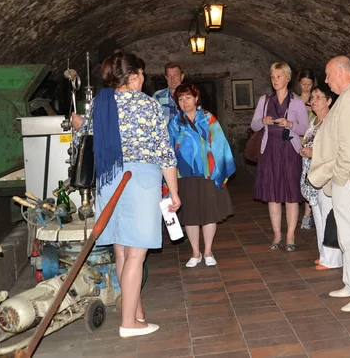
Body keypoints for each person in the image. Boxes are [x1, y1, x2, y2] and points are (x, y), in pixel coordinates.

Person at [74, 50, 181, 337]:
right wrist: (174, 192)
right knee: (136, 255)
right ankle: (129, 324)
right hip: (140, 182)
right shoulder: (148, 106)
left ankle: (134, 311)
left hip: (109, 182)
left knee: (121, 250)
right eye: (142, 74)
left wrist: (79, 124)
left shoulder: (100, 104)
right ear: (133, 77)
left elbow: (80, 140)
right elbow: (164, 153)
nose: (144, 79)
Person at [308, 55, 350, 313]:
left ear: (340, 71)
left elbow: (349, 147)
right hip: (346, 178)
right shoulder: (348, 97)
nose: (325, 81)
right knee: (347, 235)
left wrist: (338, 176)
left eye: (327, 75)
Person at [168, 83, 235, 268]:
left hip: (208, 173)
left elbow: (220, 143)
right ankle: (195, 252)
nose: (184, 102)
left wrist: (218, 170)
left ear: (196, 98)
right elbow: (168, 150)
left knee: (209, 214)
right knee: (190, 215)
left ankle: (208, 251)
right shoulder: (174, 123)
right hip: (184, 175)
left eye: (188, 97)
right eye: (180, 99)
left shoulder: (208, 118)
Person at [251, 62, 309, 251]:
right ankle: (277, 234)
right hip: (270, 151)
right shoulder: (265, 100)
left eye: (278, 76)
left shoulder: (297, 102)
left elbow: (305, 129)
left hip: (290, 151)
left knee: (291, 195)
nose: (275, 80)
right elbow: (254, 126)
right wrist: (263, 121)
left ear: (287, 78)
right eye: (272, 77)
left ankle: (290, 235)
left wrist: (291, 124)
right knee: (273, 195)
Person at [299, 85, 343, 271]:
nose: (314, 100)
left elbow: (335, 150)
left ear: (329, 101)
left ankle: (333, 259)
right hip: (311, 175)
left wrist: (313, 153)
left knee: (328, 216)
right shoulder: (314, 121)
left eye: (319, 97)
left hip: (325, 176)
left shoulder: (332, 122)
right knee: (318, 216)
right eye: (313, 97)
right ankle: (324, 255)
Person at [295, 68, 316, 230]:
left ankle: (307, 215)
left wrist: (313, 109)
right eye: (303, 84)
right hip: (297, 143)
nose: (306, 88)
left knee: (310, 178)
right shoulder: (294, 99)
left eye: (309, 84)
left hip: (313, 143)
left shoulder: (317, 98)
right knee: (298, 178)